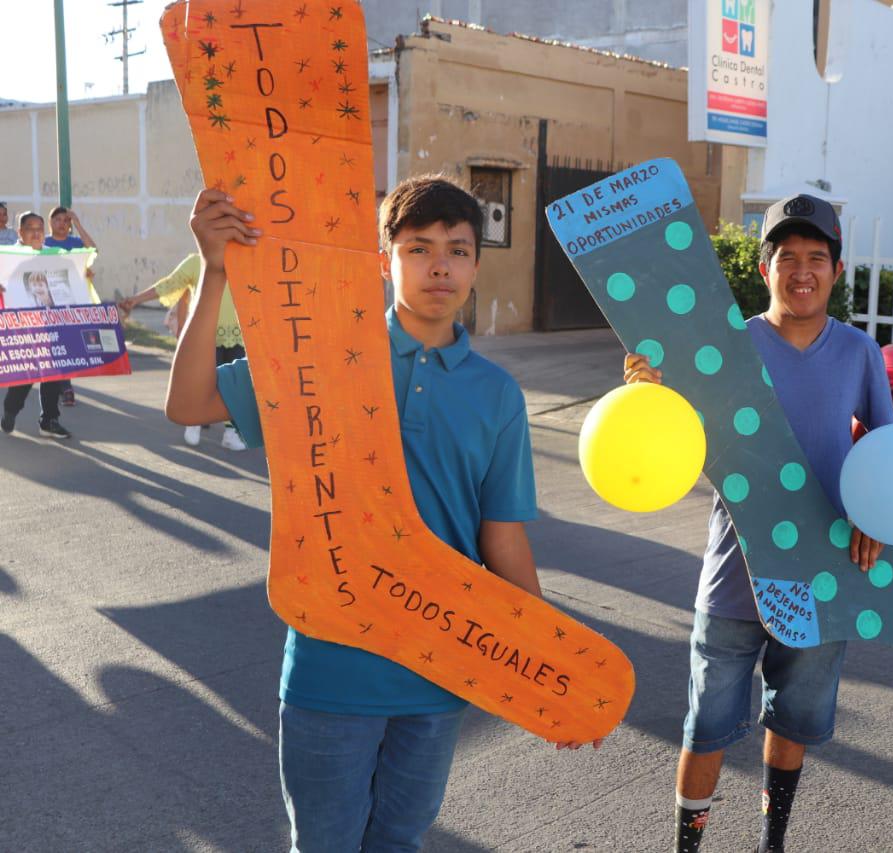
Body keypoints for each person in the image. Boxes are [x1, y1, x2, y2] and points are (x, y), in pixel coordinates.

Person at [166, 176, 595, 850]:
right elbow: (188, 403)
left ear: (476, 266)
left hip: (440, 669)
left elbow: (503, 540)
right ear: (383, 260)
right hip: (329, 667)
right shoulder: (323, 358)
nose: (439, 266)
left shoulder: (498, 395)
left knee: (399, 840)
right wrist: (215, 269)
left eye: (457, 249)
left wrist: (546, 675)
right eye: (418, 248)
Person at [624, 194, 893, 853]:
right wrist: (644, 388)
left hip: (824, 575)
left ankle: (770, 841)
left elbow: (887, 450)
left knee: (793, 717)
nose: (800, 270)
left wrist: (874, 513)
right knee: (706, 725)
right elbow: (672, 425)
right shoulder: (730, 345)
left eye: (815, 258)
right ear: (764, 266)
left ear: (836, 270)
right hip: (731, 575)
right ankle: (687, 845)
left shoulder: (860, 352)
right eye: (785, 257)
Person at [119, 253, 246, 450]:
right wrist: (136, 299)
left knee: (234, 384)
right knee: (202, 381)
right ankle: (194, 421)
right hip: (204, 333)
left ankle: (231, 431)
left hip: (238, 334)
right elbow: (169, 284)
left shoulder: (242, 260)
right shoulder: (197, 262)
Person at [1, 212, 71, 440]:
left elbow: (71, 280)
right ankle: (11, 410)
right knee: (26, 376)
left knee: (53, 373)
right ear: (19, 232)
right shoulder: (7, 256)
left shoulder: (54, 255)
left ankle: (49, 420)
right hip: (22, 328)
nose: (36, 231)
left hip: (51, 325)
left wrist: (83, 274)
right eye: (30, 227)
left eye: (40, 227)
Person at [44, 207, 96, 407]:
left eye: (66, 221)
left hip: (70, 303)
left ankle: (63, 385)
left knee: (66, 346)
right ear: (50, 223)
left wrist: (78, 223)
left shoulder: (74, 243)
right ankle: (63, 386)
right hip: (49, 303)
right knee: (55, 346)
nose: (62, 224)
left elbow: (93, 250)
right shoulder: (44, 243)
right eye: (57, 220)